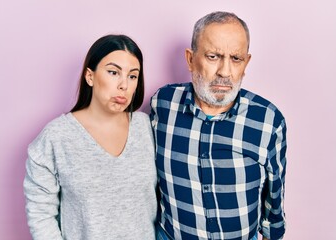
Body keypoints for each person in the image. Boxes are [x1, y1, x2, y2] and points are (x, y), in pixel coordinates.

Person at [150, 11, 287, 240]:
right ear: (190, 59)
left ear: (246, 63)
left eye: (236, 59)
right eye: (213, 56)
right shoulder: (162, 104)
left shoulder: (268, 120)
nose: (225, 72)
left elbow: (275, 196)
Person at [23, 34, 158, 239]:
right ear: (90, 76)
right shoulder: (56, 137)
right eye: (113, 72)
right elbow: (40, 214)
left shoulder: (147, 127)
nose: (124, 85)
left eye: (133, 76)